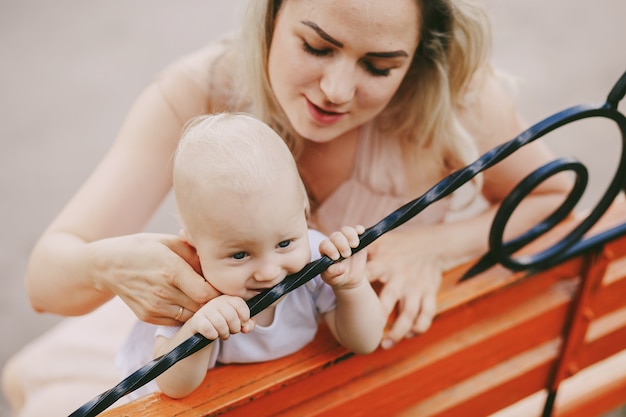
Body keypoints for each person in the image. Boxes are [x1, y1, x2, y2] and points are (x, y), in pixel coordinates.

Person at [2, 0, 571, 415]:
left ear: (420, 55)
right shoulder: (198, 92)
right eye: (316, 46)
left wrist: (429, 244)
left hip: (360, 383)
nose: (337, 89)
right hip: (225, 349)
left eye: (380, 66)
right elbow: (46, 283)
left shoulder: (453, 97)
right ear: (271, 15)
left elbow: (557, 198)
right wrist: (105, 265)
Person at [117, 112, 383, 400]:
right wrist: (198, 331)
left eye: (284, 243)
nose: (269, 272)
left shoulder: (314, 259)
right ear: (194, 246)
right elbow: (172, 386)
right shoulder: (190, 290)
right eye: (240, 255)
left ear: (303, 212)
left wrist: (352, 287)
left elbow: (365, 342)